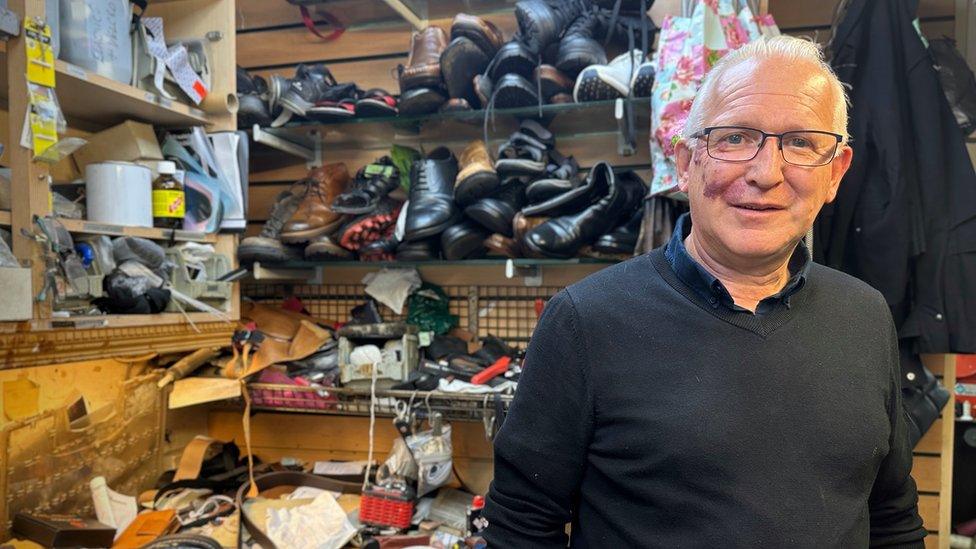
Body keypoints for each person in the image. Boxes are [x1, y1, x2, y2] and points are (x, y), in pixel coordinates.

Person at [483, 35, 926, 548]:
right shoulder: (585, 322)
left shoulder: (865, 316)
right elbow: (520, 530)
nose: (766, 174)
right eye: (735, 138)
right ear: (686, 162)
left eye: (802, 143)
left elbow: (892, 519)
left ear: (835, 173)